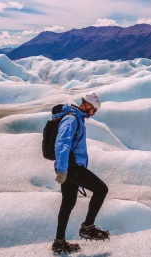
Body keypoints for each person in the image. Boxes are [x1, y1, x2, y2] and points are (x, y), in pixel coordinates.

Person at [51, 92, 109, 254]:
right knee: (101, 190)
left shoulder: (77, 118)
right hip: (72, 168)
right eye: (94, 110)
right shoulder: (72, 119)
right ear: (87, 105)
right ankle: (88, 227)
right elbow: (62, 143)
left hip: (70, 168)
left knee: (68, 203)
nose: (94, 113)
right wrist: (62, 170)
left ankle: (59, 242)